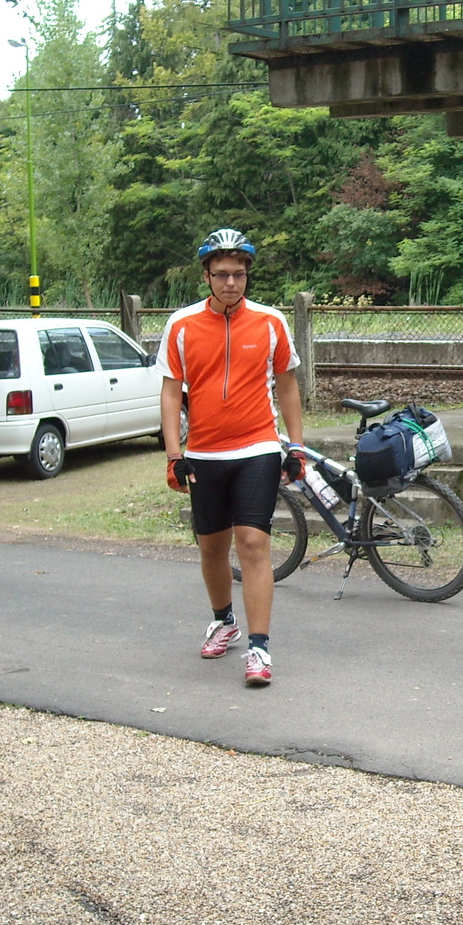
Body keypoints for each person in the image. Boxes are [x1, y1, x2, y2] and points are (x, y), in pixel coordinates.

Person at [157, 229, 306, 686]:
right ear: (206, 275)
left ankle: (259, 650)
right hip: (203, 452)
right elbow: (169, 393)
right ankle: (224, 620)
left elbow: (287, 384)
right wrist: (173, 454)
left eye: (238, 274)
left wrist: (295, 445)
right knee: (212, 547)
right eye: (221, 274)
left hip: (257, 446)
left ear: (247, 276)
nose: (230, 283)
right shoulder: (181, 326)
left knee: (254, 543)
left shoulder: (269, 321)